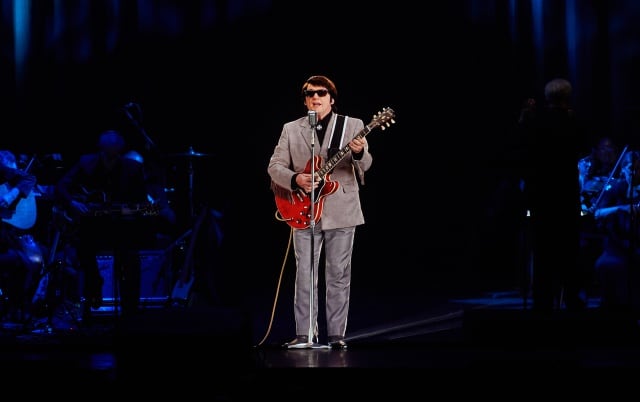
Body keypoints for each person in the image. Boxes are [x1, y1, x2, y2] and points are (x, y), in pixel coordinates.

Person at [267, 75, 372, 349]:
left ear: (331, 98)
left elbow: (366, 165)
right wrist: (295, 180)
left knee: (338, 274)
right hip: (304, 208)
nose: (316, 97)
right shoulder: (291, 129)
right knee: (305, 273)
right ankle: (305, 334)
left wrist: (359, 154)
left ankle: (336, 335)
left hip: (342, 208)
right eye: (310, 93)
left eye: (322, 93)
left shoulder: (353, 125)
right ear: (305, 100)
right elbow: (275, 166)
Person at [54, 129, 174, 319]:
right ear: (100, 150)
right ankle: (94, 284)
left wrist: (135, 213)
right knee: (83, 248)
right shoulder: (86, 163)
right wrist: (73, 203)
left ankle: (130, 312)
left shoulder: (133, 168)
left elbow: (142, 204)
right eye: (106, 154)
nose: (110, 159)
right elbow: (61, 187)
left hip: (120, 226)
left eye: (114, 155)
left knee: (131, 258)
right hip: (91, 225)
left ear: (119, 152)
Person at [517, 77, 589, 312]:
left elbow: (523, 149)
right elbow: (584, 148)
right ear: (568, 97)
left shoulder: (536, 120)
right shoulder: (573, 120)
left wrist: (526, 117)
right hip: (566, 193)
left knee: (543, 250)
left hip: (541, 194)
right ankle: (572, 298)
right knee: (569, 250)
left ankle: (542, 301)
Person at [593, 149, 640, 312]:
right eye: (627, 166)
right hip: (616, 245)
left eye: (635, 168)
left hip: (636, 242)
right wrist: (624, 208)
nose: (631, 171)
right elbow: (597, 213)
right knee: (604, 264)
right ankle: (611, 306)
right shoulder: (614, 188)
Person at [0, 150, 42, 323]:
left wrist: (10, 196)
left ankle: (17, 309)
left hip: (7, 233)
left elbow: (29, 178)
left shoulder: (5, 172)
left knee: (31, 262)